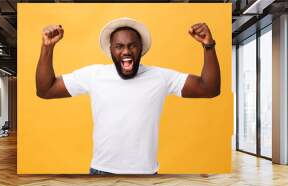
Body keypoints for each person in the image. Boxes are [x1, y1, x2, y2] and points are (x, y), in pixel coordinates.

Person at [36, 18, 220, 175]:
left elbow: (209, 88)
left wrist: (208, 45)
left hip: (145, 174)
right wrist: (47, 47)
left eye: (132, 45)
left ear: (141, 49)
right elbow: (46, 90)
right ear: (111, 50)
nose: (126, 51)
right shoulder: (94, 75)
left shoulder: (161, 76)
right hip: (102, 172)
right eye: (119, 46)